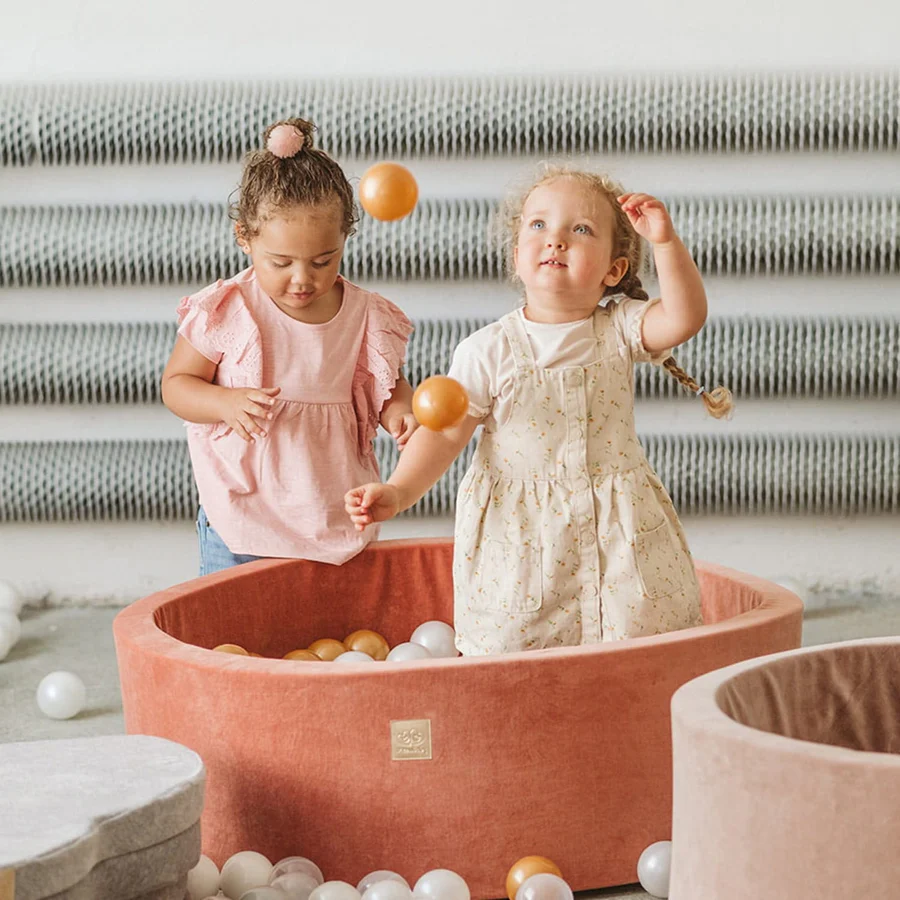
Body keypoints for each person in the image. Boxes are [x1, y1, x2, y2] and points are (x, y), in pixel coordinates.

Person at [345, 165, 732, 655]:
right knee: (518, 655)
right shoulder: (488, 350)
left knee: (636, 646)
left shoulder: (620, 328)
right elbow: (444, 434)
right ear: (516, 258)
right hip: (524, 544)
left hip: (618, 533)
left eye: (581, 229)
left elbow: (684, 316)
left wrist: (665, 243)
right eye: (538, 226)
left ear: (613, 271)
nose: (556, 241)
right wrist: (399, 491)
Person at [162, 118, 416, 575]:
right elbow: (177, 386)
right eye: (280, 262)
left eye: (324, 260)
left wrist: (400, 412)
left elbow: (388, 384)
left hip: (329, 506)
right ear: (245, 238)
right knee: (234, 635)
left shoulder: (364, 315)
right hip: (241, 514)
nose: (303, 279)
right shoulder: (230, 310)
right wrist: (223, 401)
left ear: (345, 239)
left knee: (324, 636)